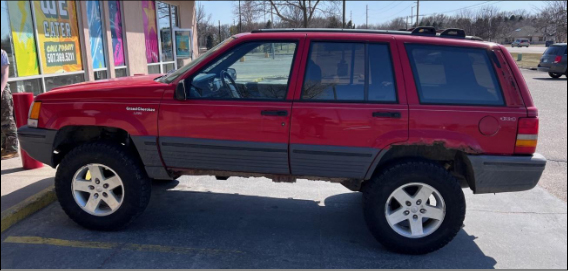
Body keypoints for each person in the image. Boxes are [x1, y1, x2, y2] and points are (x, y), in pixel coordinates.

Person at [1, 48, 18, 160]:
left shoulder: (2, 53)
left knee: (7, 120)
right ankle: (4, 147)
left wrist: (1, 90)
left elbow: (4, 73)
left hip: (2, 90)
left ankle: (12, 149)